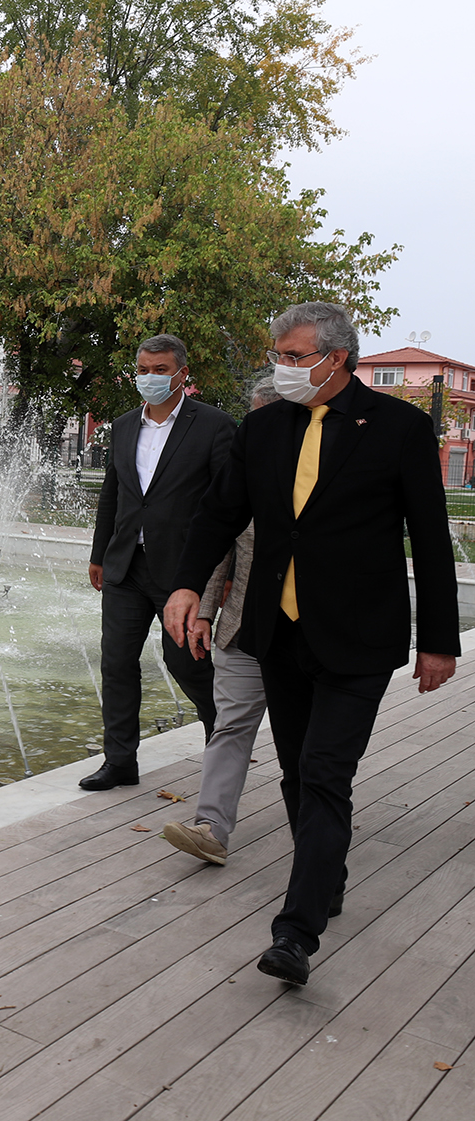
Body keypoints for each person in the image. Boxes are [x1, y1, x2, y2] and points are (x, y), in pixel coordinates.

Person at [165, 302, 459, 986]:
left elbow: (433, 541)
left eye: (295, 357)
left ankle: (295, 933)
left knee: (327, 772)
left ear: (338, 359)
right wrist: (185, 586)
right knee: (299, 771)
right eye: (279, 355)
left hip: (358, 635)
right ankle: (326, 875)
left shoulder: (400, 430)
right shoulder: (264, 428)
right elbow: (219, 514)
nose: (282, 366)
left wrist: (439, 640)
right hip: (280, 630)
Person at [81, 334, 237, 791]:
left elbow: (227, 506)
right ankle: (120, 761)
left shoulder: (213, 426)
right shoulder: (125, 426)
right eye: (144, 370)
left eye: (161, 370)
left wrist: (220, 575)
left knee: (187, 663)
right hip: (127, 565)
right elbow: (113, 493)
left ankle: (222, 743)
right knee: (117, 663)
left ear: (182, 374)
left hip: (184, 571)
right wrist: (99, 553)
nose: (150, 377)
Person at [161, 375, 280, 866]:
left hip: (308, 634)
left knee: (314, 742)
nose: (247, 427)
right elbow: (219, 549)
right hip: (242, 627)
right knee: (231, 726)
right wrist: (205, 612)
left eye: (256, 417)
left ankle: (319, 831)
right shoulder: (242, 474)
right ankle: (211, 827)